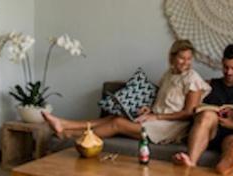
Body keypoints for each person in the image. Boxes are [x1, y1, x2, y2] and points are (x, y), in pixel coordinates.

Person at [42, 39, 209, 144]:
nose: (186, 62)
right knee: (114, 117)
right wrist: (149, 110)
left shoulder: (192, 79)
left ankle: (69, 135)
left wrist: (156, 117)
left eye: (189, 58)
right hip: (156, 119)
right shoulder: (168, 75)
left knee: (117, 124)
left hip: (170, 127)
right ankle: (65, 124)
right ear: (172, 58)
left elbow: (188, 113)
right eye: (182, 58)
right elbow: (164, 102)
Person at [173, 42, 233, 175]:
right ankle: (191, 163)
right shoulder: (208, 84)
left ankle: (224, 164)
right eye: (225, 67)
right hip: (209, 132)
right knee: (207, 115)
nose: (229, 72)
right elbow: (185, 106)